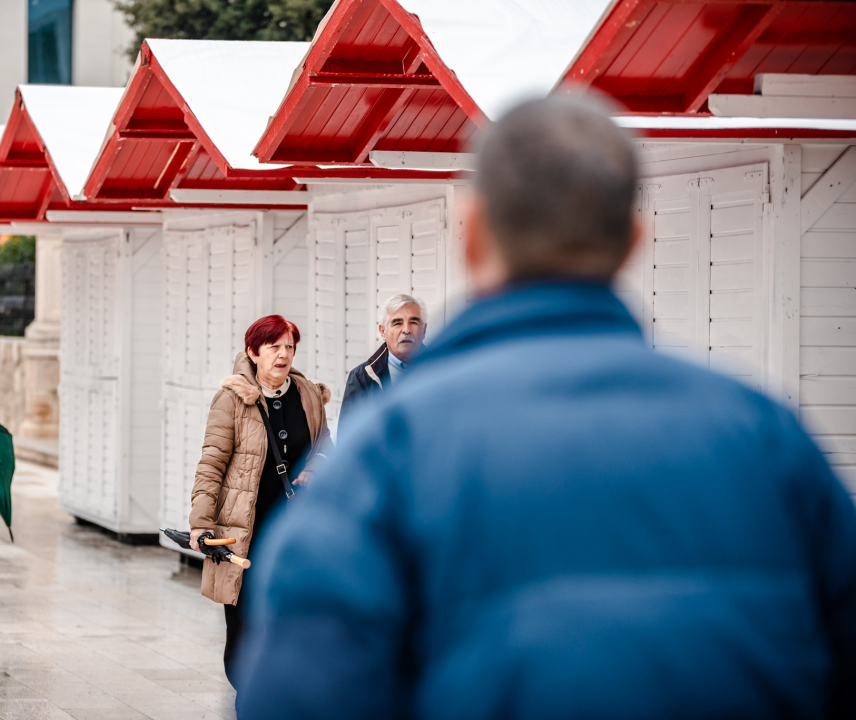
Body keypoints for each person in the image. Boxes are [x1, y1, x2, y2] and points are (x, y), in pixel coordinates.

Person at [235, 96, 856, 719]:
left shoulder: (385, 455)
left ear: (474, 235)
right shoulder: (765, 438)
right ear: (634, 238)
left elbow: (295, 694)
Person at [188, 315, 331, 687]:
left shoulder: (308, 394)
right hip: (243, 534)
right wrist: (200, 523)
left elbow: (324, 446)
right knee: (244, 622)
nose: (284, 354)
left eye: (290, 346)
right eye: (275, 347)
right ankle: (247, 694)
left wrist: (316, 468)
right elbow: (211, 463)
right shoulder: (232, 399)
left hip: (295, 531)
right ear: (254, 352)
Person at [340, 293, 427, 422]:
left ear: (424, 330)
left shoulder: (443, 370)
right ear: (382, 332)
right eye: (397, 323)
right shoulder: (362, 378)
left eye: (413, 322)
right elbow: (348, 435)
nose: (406, 330)